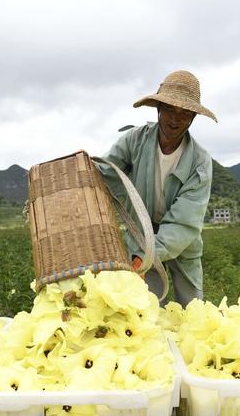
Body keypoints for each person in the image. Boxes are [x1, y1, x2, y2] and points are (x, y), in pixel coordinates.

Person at [98, 70, 217, 307]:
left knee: (192, 310)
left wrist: (148, 255)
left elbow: (184, 222)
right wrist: (78, 173)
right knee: (146, 309)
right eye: (170, 110)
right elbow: (104, 173)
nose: (175, 119)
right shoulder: (134, 141)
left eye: (184, 114)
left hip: (182, 242)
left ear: (193, 117)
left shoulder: (199, 162)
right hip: (141, 236)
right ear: (158, 109)